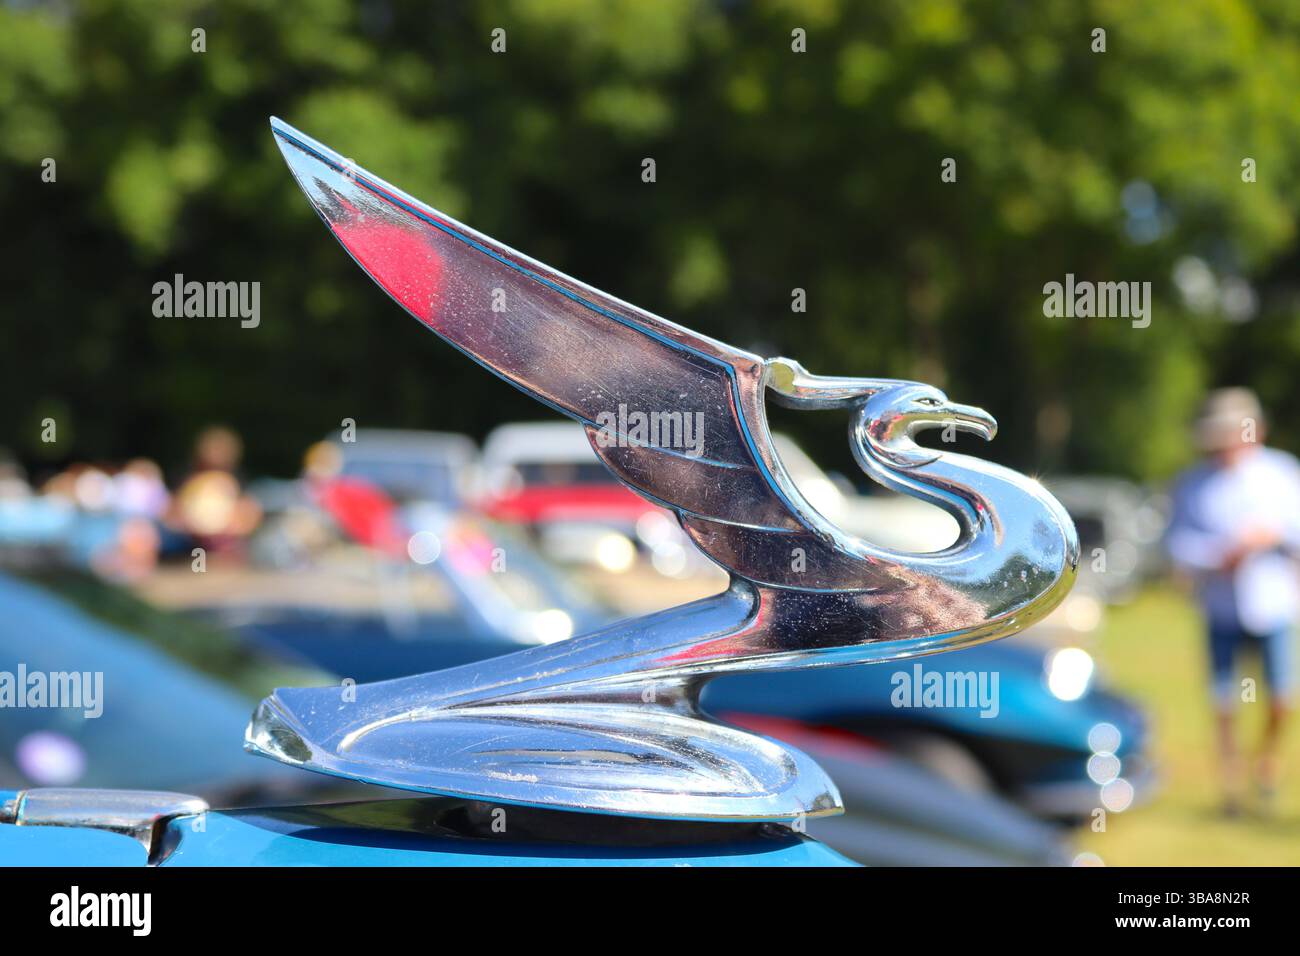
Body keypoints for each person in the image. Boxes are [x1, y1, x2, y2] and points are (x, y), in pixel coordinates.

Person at [1166, 388, 1300, 815]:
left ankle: (1265, 760)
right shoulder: (1192, 483)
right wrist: (1217, 557)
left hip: (1273, 604)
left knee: (1281, 697)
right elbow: (1178, 545)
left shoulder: (1282, 473)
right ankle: (1231, 786)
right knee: (1224, 700)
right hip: (1221, 607)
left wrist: (1268, 537)